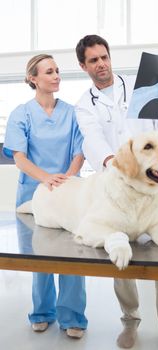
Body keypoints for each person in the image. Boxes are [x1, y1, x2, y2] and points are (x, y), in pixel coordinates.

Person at [75, 35, 158, 350]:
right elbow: (93, 139)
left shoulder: (139, 88)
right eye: (94, 60)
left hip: (155, 184)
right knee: (120, 255)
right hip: (121, 186)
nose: (102, 64)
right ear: (83, 66)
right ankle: (130, 321)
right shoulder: (85, 105)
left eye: (104, 57)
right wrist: (117, 164)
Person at [3, 54, 87, 339]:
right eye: (49, 72)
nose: (56, 76)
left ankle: (73, 316)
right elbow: (19, 158)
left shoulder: (72, 112)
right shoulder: (21, 113)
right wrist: (47, 179)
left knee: (74, 255)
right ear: (33, 79)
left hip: (68, 192)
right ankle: (42, 312)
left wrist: (67, 178)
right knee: (41, 256)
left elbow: (80, 151)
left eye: (58, 71)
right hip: (34, 193)